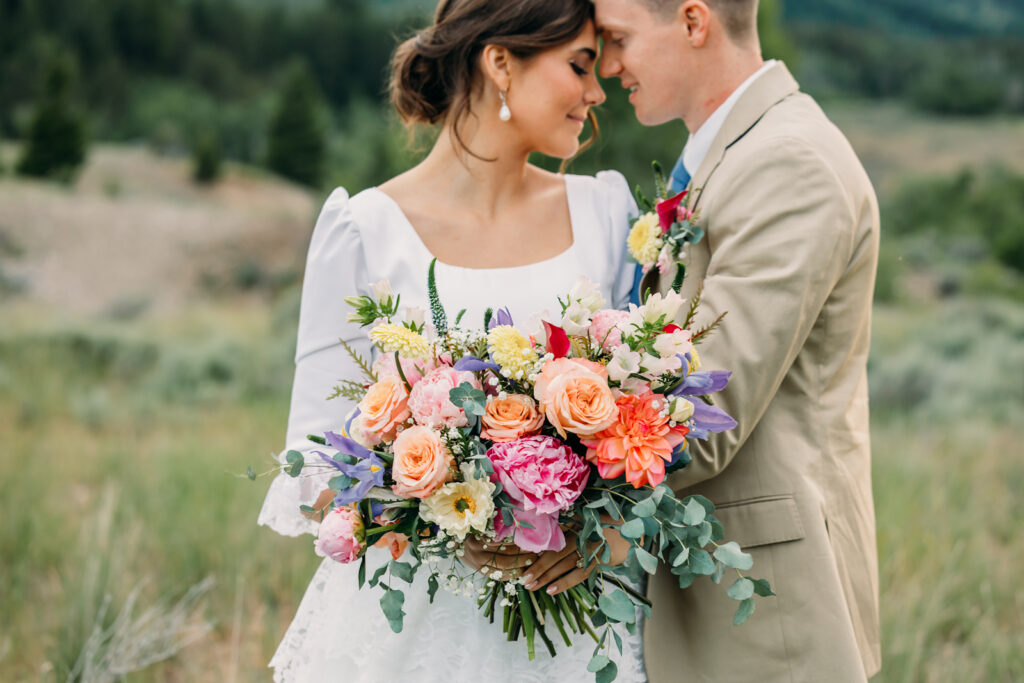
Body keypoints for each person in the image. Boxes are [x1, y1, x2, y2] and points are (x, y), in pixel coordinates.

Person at [258, 1, 645, 680]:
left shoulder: (607, 213)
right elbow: (318, 460)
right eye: (579, 65)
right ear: (500, 62)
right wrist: (438, 505)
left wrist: (600, 531)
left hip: (573, 618)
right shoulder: (365, 228)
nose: (596, 91)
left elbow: (645, 413)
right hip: (410, 626)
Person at [591, 0, 882, 681]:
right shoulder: (736, 154)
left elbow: (698, 414)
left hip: (768, 616)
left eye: (619, 39)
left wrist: (527, 465)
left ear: (694, 23)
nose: (609, 67)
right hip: (706, 603)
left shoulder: (789, 163)